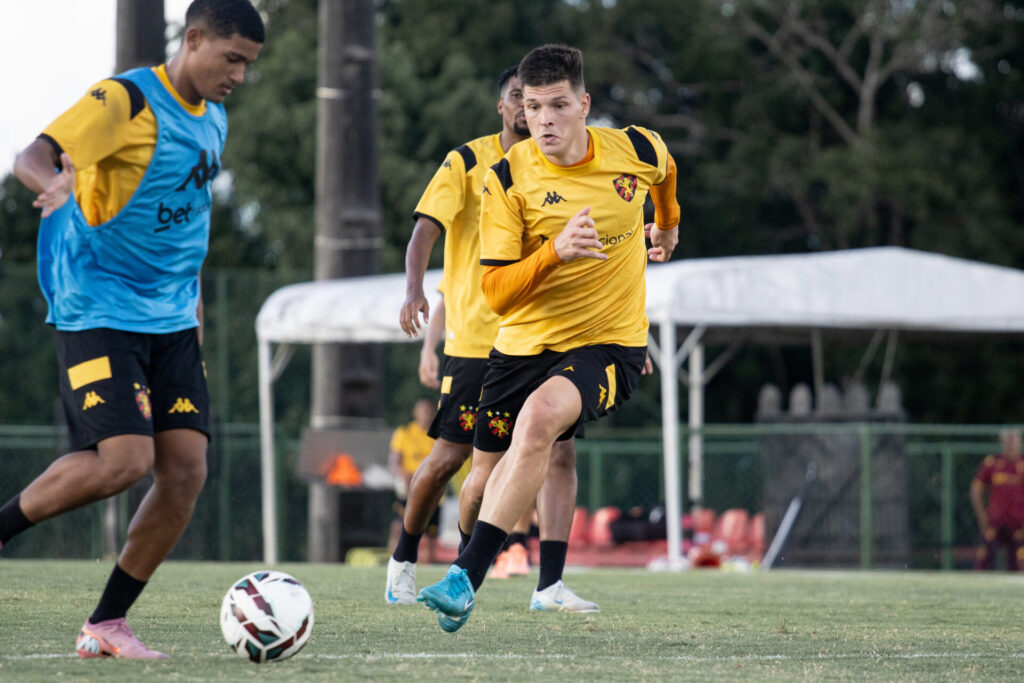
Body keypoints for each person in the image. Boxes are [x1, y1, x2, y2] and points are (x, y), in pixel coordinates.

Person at [2, 0, 264, 659]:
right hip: (98, 305)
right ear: (194, 37)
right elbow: (32, 154)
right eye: (232, 58)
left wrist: (195, 321)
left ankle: (107, 622)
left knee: (186, 472)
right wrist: (55, 189)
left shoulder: (215, 120)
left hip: (173, 320)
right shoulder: (126, 100)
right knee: (125, 459)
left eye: (248, 64)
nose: (239, 74)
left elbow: (189, 227)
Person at [418, 44, 679, 632]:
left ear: (584, 105)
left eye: (559, 105)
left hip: (608, 343)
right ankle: (477, 562)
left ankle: (468, 579)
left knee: (542, 428)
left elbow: (667, 174)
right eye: (533, 107)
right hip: (522, 342)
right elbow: (497, 294)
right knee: (482, 478)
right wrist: (554, 254)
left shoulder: (635, 149)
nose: (545, 121)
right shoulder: (507, 178)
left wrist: (667, 225)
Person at [387, 66, 592, 616]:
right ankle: (407, 560)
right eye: (520, 102)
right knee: (456, 463)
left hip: (548, 336)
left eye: (541, 104)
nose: (531, 114)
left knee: (561, 454)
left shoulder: (560, 167)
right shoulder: (468, 163)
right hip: (481, 342)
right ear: (504, 107)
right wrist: (414, 290)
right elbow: (425, 230)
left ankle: (548, 586)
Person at [387, 399, 439, 563]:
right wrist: (402, 474)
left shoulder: (437, 435)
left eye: (428, 411)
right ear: (415, 413)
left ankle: (426, 567)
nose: (425, 415)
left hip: (430, 484)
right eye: (422, 411)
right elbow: (394, 461)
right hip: (408, 484)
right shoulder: (404, 433)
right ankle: (393, 562)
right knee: (398, 526)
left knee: (430, 533)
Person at [970, 429, 1024, 571]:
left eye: (1014, 441)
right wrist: (982, 518)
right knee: (983, 560)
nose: (1011, 445)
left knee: (1019, 564)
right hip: (995, 524)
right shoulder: (992, 463)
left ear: (1020, 442)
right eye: (1007, 442)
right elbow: (975, 490)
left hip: (1019, 525)